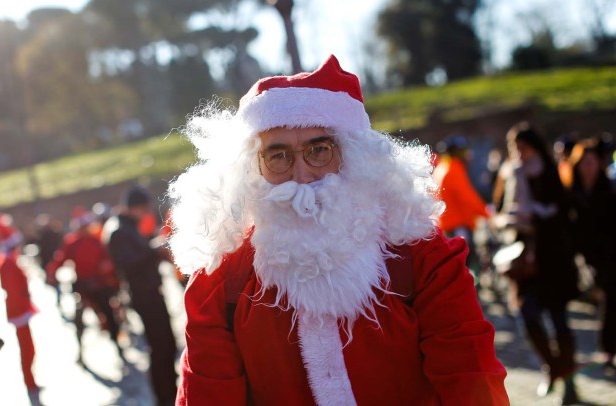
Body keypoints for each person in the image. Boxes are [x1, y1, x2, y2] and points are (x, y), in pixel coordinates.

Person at [168, 55, 509, 405]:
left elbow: (473, 378)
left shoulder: (423, 256)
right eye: (278, 156)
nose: (301, 176)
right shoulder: (220, 281)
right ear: (253, 170)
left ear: (353, 156)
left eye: (319, 150)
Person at [493, 122, 579, 404]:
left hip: (552, 259)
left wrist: (538, 216)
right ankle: (553, 369)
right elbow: (502, 210)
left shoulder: (549, 174)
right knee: (528, 318)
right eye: (514, 148)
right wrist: (511, 220)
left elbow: (563, 214)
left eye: (524, 147)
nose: (519, 153)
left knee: (559, 323)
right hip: (523, 259)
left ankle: (568, 382)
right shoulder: (511, 173)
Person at [102, 187, 178, 406]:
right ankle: (165, 397)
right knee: (161, 346)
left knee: (167, 344)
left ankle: (169, 391)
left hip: (149, 291)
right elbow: (130, 263)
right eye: (143, 209)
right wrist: (155, 249)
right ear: (134, 208)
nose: (146, 213)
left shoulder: (125, 227)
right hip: (144, 295)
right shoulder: (118, 230)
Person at [567, 138, 616, 372]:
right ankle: (611, 348)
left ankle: (608, 350)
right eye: (584, 162)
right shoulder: (572, 193)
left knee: (610, 299)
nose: (588, 167)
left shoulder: (613, 189)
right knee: (610, 300)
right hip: (590, 257)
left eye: (592, 162)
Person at [46, 207, 124, 365]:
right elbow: (60, 259)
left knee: (110, 316)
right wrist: (52, 273)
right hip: (83, 287)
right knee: (79, 322)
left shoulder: (97, 241)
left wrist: (111, 274)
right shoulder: (72, 242)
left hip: (100, 285)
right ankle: (81, 352)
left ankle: (118, 347)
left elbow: (108, 260)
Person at [0, 214, 41, 402]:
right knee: (27, 348)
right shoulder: (8, 263)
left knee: (29, 347)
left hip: (19, 309)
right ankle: (30, 382)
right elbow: (14, 289)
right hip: (18, 310)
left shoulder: (7, 260)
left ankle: (31, 380)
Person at [433, 134, 492, 280]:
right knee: (466, 263)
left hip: (447, 224)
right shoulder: (453, 169)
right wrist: (488, 214)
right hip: (458, 225)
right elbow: (468, 197)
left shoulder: (442, 168)